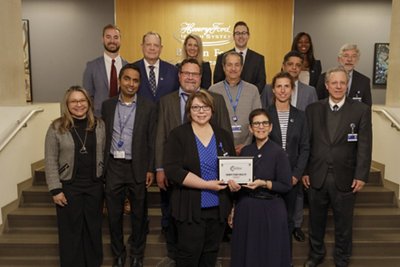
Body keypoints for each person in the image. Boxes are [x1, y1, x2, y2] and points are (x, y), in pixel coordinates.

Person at [155, 58, 232, 266]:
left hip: (218, 210)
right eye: (196, 107)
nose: (201, 111)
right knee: (188, 257)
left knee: (210, 256)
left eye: (205, 107)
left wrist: (234, 184)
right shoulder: (179, 135)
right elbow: (172, 170)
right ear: (189, 110)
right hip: (189, 207)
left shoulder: (223, 135)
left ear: (212, 110)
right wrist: (207, 185)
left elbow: (231, 167)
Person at [303, 67, 372, 267]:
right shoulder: (313, 109)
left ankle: (342, 258)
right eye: (334, 83)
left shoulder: (361, 110)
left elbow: (365, 146)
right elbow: (307, 142)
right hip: (317, 175)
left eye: (343, 83)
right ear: (326, 85)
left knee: (344, 224)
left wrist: (361, 175)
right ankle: (316, 255)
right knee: (316, 221)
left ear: (347, 85)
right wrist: (305, 171)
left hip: (346, 177)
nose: (339, 86)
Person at [101, 64, 156, 267]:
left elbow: (151, 140)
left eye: (135, 80)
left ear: (139, 84)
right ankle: (118, 254)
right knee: (114, 215)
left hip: (138, 166)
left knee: (139, 215)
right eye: (127, 79)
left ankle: (137, 255)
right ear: (120, 81)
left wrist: (150, 167)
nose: (131, 84)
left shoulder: (148, 106)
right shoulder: (107, 106)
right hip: (114, 166)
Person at [44, 86, 105, 267]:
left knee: (93, 230)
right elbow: (50, 160)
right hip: (69, 187)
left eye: (82, 100)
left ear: (88, 102)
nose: (79, 105)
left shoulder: (99, 125)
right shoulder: (56, 127)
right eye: (74, 101)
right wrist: (56, 189)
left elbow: (103, 152)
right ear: (67, 104)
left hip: (94, 186)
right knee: (71, 232)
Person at [228, 108, 292, 267]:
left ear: (270, 127)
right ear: (250, 128)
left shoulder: (279, 153)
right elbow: (240, 182)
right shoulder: (245, 151)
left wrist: (265, 183)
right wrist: (234, 196)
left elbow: (286, 185)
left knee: (269, 255)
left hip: (271, 209)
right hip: (246, 208)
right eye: (256, 123)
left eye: (264, 123)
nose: (260, 127)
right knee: (245, 252)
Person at [266, 72, 309, 260]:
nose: (283, 90)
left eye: (287, 86)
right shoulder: (264, 114)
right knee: (269, 221)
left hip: (292, 178)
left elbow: (305, 147)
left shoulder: (301, 116)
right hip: (269, 178)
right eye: (279, 86)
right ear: (273, 90)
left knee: (288, 220)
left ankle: (286, 259)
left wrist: (296, 174)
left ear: (292, 90)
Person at [209, 51, 261, 155]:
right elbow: (210, 121)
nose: (233, 69)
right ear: (223, 67)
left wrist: (247, 145)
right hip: (220, 148)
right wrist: (225, 145)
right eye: (229, 65)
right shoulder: (213, 90)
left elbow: (257, 120)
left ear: (242, 67)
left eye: (237, 65)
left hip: (248, 147)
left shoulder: (253, 90)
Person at [83, 24, 128, 116]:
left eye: (116, 37)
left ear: (120, 40)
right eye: (108, 37)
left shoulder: (128, 67)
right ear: (102, 39)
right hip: (99, 118)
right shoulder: (91, 66)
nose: (112, 41)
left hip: (124, 117)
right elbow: (87, 97)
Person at [213, 21, 266, 94]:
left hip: (249, 100)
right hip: (227, 99)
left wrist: (247, 95)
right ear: (233, 36)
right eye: (238, 33)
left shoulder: (258, 59)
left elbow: (261, 83)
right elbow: (217, 81)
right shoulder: (222, 57)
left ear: (248, 36)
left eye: (244, 33)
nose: (241, 36)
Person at [133, 31, 179, 103]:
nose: (152, 48)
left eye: (156, 45)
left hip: (165, 114)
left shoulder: (173, 71)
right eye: (148, 45)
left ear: (161, 48)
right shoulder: (132, 69)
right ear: (142, 46)